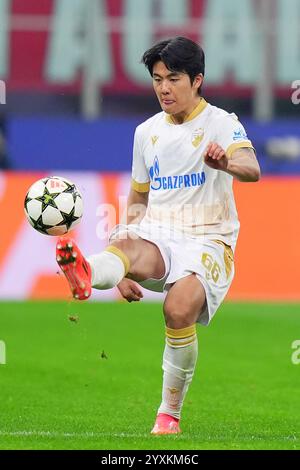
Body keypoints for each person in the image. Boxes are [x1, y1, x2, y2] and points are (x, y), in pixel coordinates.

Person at [56, 36, 260, 435]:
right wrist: (125, 268)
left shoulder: (221, 121)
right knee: (126, 244)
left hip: (208, 239)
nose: (163, 88)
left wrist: (227, 164)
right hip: (160, 234)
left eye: (173, 78)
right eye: (156, 79)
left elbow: (252, 168)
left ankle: (168, 414)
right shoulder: (146, 132)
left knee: (178, 308)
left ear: (197, 80)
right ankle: (89, 273)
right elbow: (138, 196)